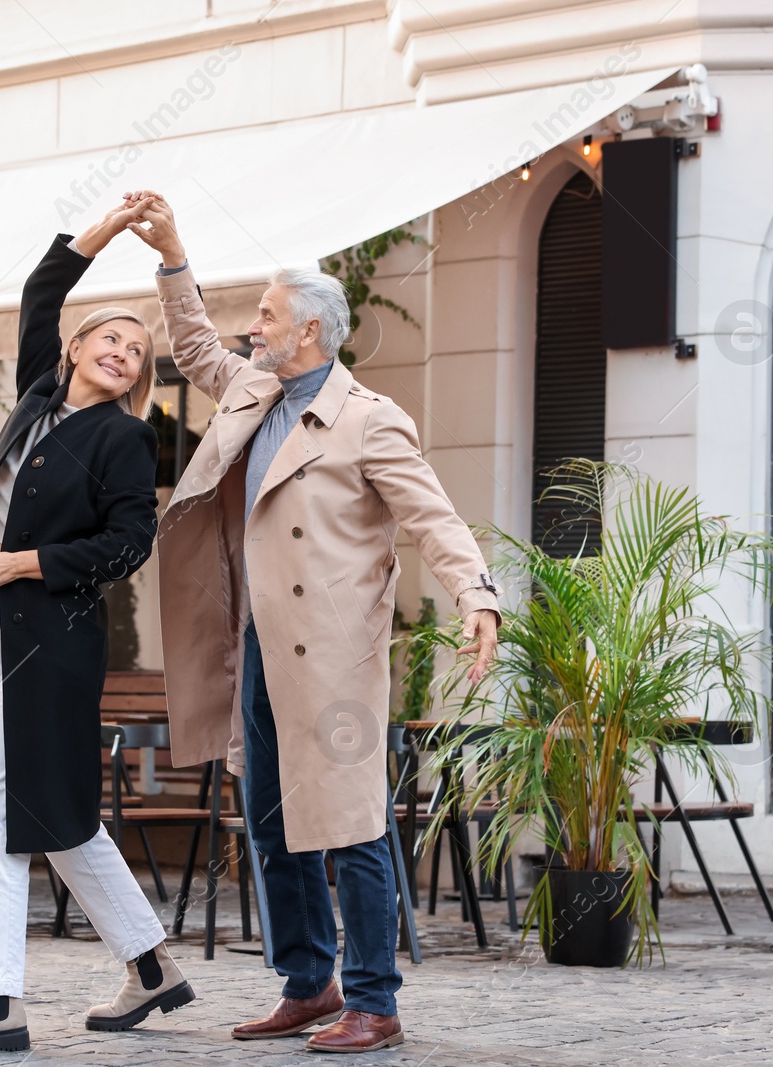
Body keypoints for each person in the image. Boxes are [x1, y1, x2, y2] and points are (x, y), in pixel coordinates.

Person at [125, 192, 499, 1054]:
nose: (253, 329)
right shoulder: (254, 387)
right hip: (255, 647)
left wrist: (476, 593)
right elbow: (192, 346)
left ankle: (375, 998)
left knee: (353, 824)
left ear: (311, 334)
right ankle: (309, 980)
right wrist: (175, 251)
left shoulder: (370, 421)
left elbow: (433, 517)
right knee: (268, 818)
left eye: (267, 316)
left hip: (334, 656)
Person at [0, 199, 195, 1055]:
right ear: (74, 348)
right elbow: (43, 289)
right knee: (57, 813)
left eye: (138, 350)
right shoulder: (39, 395)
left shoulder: (123, 439)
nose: (123, 350)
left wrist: (23, 562)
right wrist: (108, 229)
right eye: (110, 337)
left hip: (54, 640)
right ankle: (152, 968)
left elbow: (128, 541)